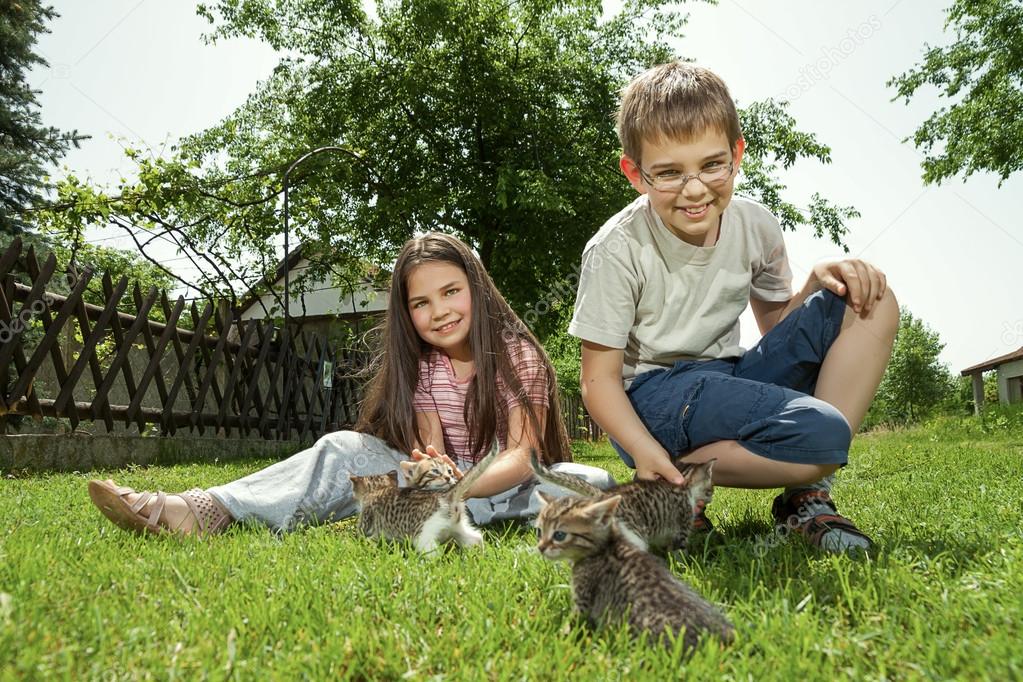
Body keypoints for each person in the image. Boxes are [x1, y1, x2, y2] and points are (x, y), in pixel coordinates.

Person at [569, 62, 899, 553]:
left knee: (872, 300)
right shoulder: (616, 250)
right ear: (635, 174)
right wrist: (643, 450)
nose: (695, 189)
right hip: (652, 399)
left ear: (737, 154)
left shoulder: (756, 226)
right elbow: (597, 381)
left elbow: (778, 333)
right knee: (823, 433)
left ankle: (805, 494)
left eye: (711, 165)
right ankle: (671, 486)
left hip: (729, 375)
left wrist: (814, 282)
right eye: (669, 173)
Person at [89, 232, 614, 536]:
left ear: (476, 289)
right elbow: (429, 446)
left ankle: (423, 518)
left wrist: (459, 489)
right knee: (343, 448)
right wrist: (426, 467)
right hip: (445, 492)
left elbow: (522, 456)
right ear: (406, 313)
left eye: (451, 291)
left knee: (590, 480)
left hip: (505, 486)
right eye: (421, 302)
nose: (439, 311)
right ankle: (209, 509)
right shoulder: (426, 370)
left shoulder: (515, 354)